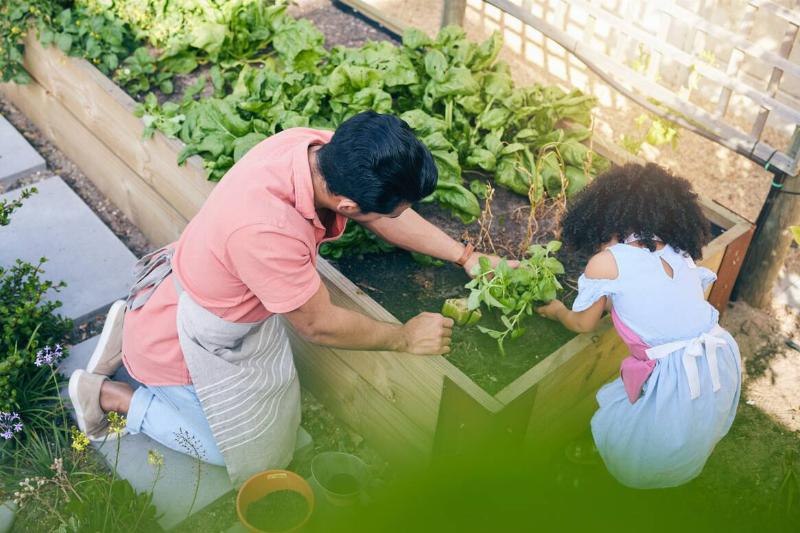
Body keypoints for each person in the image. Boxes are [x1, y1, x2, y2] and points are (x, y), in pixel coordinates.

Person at [68, 111, 512, 484]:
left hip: (193, 285)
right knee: (248, 458)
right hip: (193, 337)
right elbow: (317, 324)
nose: (398, 216)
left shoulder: (314, 150)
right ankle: (108, 393)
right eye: (393, 209)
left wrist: (465, 257)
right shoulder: (268, 231)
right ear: (347, 205)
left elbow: (383, 216)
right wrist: (404, 338)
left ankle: (131, 323)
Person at [535, 163, 741, 489]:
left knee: (646, 434)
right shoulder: (678, 249)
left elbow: (584, 324)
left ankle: (622, 470)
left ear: (603, 217)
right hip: (714, 359)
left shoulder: (607, 262)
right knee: (689, 425)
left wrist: (558, 311)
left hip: (675, 372)